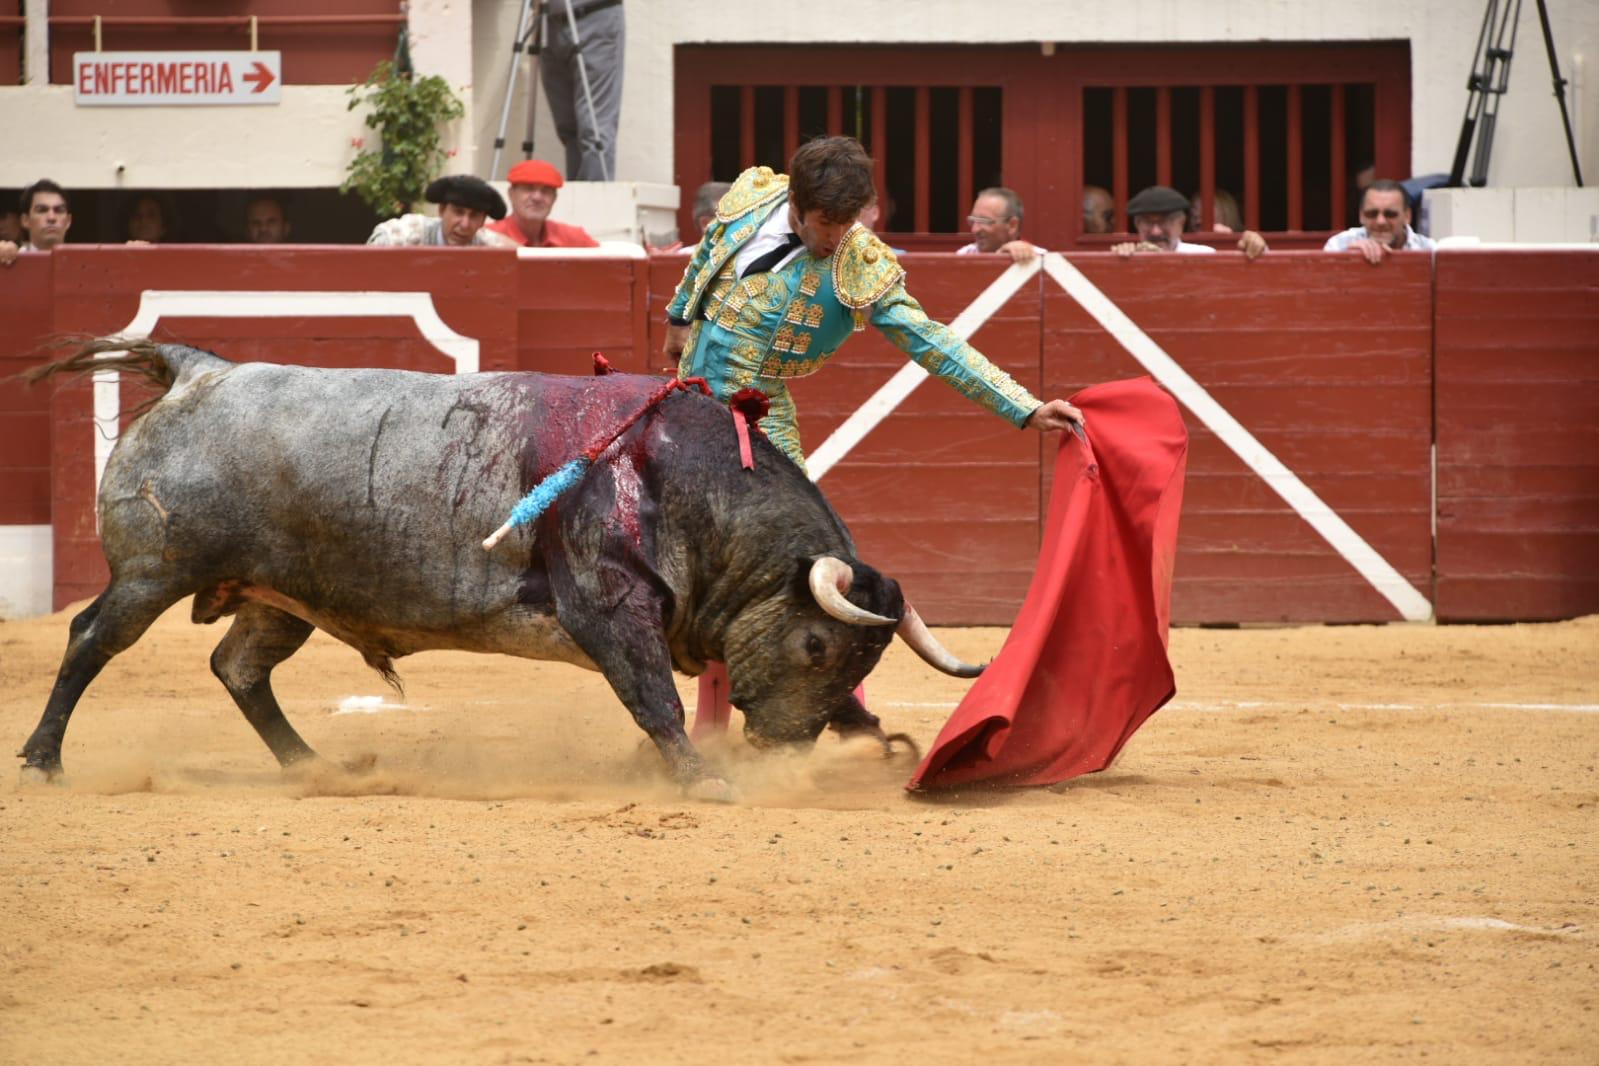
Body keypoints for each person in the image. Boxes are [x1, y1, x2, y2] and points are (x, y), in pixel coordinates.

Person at [663, 136, 1085, 736]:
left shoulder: (860, 263)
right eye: (826, 222)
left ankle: (849, 721)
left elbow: (933, 342)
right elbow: (709, 253)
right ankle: (706, 732)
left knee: (796, 574)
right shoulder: (754, 195)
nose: (838, 236)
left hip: (763, 422)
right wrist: (679, 320)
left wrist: (1023, 407)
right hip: (686, 403)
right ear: (797, 202)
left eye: (849, 221)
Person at [540, 0, 625, 181]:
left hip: (594, 14)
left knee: (594, 126)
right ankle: (578, 196)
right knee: (568, 126)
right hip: (549, 21)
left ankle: (594, 200)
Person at [1111, 185, 1267, 258]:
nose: (1155, 231)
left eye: (1165, 222)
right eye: (1147, 222)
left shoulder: (1204, 255)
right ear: (1137, 224)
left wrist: (1258, 246)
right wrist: (1117, 262)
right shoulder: (1127, 256)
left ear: (1181, 222)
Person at [366, 175, 517, 247]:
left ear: (483, 221)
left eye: (474, 216)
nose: (464, 224)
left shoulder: (488, 247)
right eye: (458, 212)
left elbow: (524, 254)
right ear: (442, 210)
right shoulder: (403, 236)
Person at [484, 159, 599, 248]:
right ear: (511, 194)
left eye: (546, 191)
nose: (537, 197)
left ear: (554, 198)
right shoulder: (487, 237)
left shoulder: (573, 238)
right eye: (528, 188)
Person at [1324, 179, 1436, 265]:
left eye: (1390, 214)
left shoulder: (1430, 251)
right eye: (1372, 214)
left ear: (1407, 216)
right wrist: (1349, 258)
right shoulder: (1339, 245)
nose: (1380, 221)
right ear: (1361, 216)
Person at [958, 187, 1039, 264]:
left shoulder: (1040, 260)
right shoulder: (963, 256)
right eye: (973, 220)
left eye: (984, 221)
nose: (975, 229)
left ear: (1012, 225)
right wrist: (998, 256)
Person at [1, 179, 72, 267]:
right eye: (42, 210)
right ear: (25, 220)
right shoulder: (9, 261)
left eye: (59, 210)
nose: (51, 218)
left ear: (68, 221)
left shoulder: (82, 263)